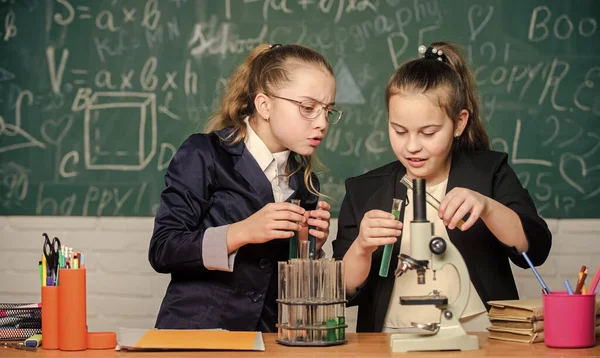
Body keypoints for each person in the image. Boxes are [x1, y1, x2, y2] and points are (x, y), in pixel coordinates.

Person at [332, 42, 552, 333]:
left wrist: (487, 207)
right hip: (389, 343)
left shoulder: (488, 173)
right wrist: (361, 247)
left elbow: (535, 250)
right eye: (399, 131)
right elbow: (340, 292)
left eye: (428, 132)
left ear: (459, 123)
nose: (412, 146)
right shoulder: (364, 191)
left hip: (483, 340)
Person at [149, 43, 342, 332]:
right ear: (264, 105)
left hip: (270, 338)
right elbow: (163, 249)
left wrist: (308, 246)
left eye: (328, 110)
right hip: (198, 335)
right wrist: (243, 231)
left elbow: (293, 286)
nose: (322, 123)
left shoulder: (305, 182)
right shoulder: (205, 153)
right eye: (308, 108)